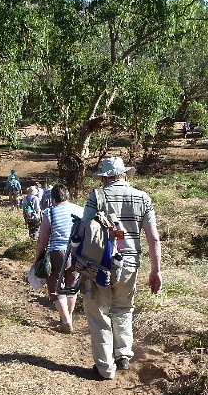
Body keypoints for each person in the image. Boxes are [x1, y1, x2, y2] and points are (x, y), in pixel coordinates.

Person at [80, 156, 162, 379]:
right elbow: (153, 239)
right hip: (130, 263)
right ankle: (123, 355)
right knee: (124, 308)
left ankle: (105, 368)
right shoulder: (143, 198)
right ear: (124, 174)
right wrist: (156, 271)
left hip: (101, 264)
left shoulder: (96, 197)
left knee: (99, 313)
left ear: (105, 177)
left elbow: (84, 228)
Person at [34, 184, 83, 333]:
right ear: (67, 195)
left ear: (53, 197)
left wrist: (38, 257)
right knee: (71, 287)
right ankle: (67, 317)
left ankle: (66, 321)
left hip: (56, 252)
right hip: (77, 252)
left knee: (56, 288)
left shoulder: (50, 212)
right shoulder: (80, 210)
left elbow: (42, 239)